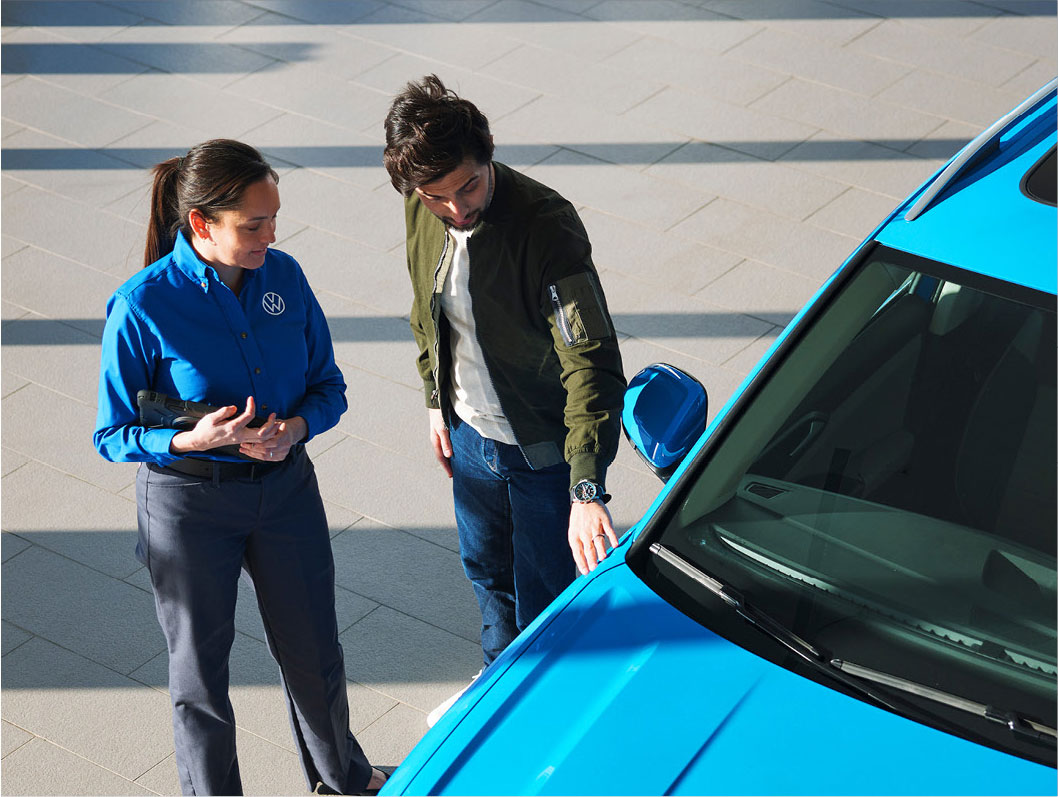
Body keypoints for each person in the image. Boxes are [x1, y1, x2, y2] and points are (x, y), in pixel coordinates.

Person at [93, 139, 387, 796]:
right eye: (254, 225)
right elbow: (111, 435)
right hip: (188, 506)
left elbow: (328, 386)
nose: (270, 236)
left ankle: (343, 779)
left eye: (273, 219)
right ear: (202, 223)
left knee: (315, 651)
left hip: (286, 491)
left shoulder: (285, 277)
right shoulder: (142, 304)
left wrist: (296, 430)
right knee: (200, 678)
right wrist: (192, 440)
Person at [383, 76, 626, 725]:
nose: (456, 207)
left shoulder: (546, 226)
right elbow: (425, 309)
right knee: (486, 570)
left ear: (487, 153)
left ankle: (544, 715)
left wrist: (585, 486)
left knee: (547, 595)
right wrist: (436, 400)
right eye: (436, 196)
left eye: (468, 186)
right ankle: (497, 681)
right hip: (470, 434)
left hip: (542, 449)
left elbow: (591, 362)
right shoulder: (422, 203)